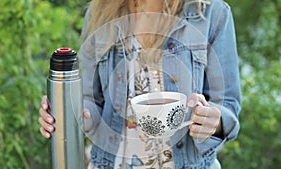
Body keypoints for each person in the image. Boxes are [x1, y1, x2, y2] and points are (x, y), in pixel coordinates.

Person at [39, 0, 241, 168]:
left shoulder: (212, 12)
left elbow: (228, 105)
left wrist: (213, 122)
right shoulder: (99, 12)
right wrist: (71, 113)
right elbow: (92, 101)